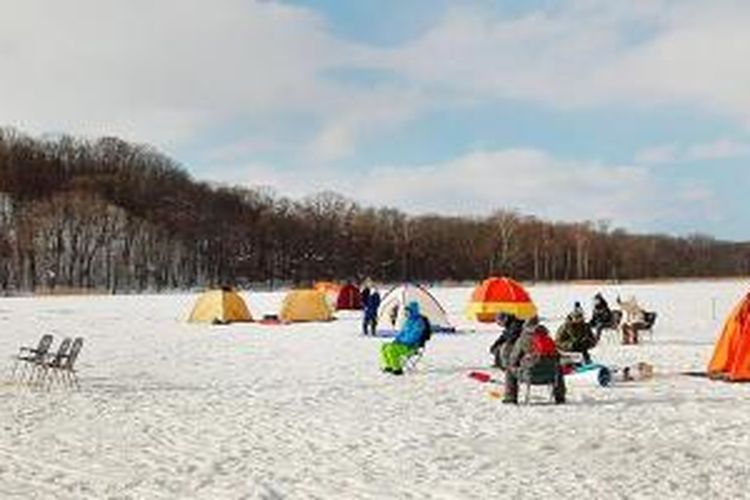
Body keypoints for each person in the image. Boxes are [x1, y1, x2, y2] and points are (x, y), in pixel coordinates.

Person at [503, 317, 566, 404]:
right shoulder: (547, 337)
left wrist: (517, 365)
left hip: (530, 375)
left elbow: (514, 358)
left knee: (509, 369)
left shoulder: (523, 339)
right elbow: (557, 357)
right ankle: (560, 397)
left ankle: (510, 397)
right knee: (558, 368)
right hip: (550, 376)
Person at [380, 301, 431, 375]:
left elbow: (413, 337)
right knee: (384, 346)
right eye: (406, 311)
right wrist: (396, 340)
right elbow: (402, 333)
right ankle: (389, 366)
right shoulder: (408, 321)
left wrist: (401, 342)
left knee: (391, 349)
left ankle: (397, 369)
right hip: (403, 344)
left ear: (413, 311)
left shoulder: (419, 323)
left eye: (408, 311)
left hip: (411, 346)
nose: (406, 313)